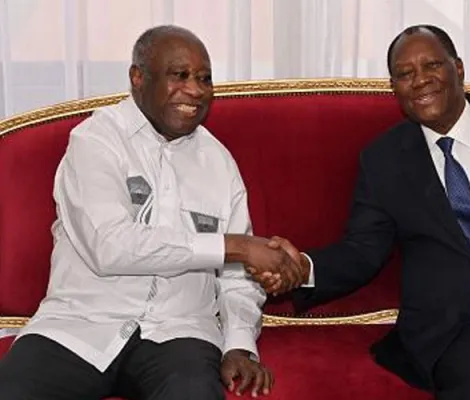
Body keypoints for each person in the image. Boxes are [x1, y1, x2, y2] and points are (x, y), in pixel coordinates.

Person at [256, 25, 470, 399]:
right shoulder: (384, 160)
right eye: (405, 74)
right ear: (394, 88)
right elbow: (362, 251)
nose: (420, 80)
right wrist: (303, 268)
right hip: (453, 325)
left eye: (432, 65)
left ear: (460, 69)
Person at [0, 25, 304, 400]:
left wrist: (239, 345)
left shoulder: (219, 162)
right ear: (137, 77)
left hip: (179, 333)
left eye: (205, 79)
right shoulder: (94, 142)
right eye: (179, 75)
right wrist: (233, 246)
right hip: (79, 325)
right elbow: (109, 246)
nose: (194, 90)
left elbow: (237, 279)